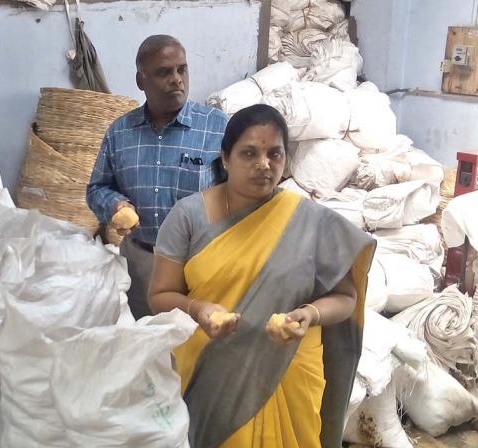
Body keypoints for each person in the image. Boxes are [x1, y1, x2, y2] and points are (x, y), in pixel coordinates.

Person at [148, 104, 375, 447]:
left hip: (289, 371)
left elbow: (346, 298)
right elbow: (160, 295)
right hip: (212, 375)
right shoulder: (188, 216)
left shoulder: (309, 221)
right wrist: (198, 310)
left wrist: (309, 315)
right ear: (225, 158)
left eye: (274, 153)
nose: (264, 164)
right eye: (249, 153)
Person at [86, 34, 228, 320]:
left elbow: (239, 193)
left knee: (197, 345)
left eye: (182, 69)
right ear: (141, 81)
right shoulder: (120, 132)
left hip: (200, 261)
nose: (176, 79)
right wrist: (115, 205)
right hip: (142, 262)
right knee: (148, 344)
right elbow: (97, 188)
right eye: (164, 72)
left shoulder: (217, 127)